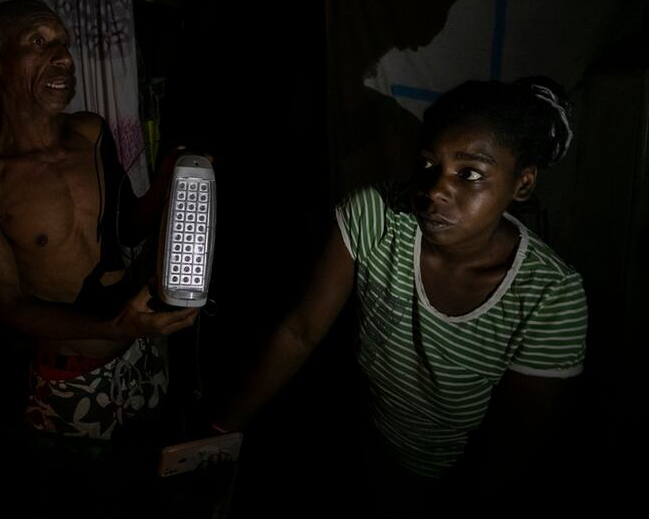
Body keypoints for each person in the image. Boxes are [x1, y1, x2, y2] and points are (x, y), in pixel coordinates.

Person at [215, 77, 588, 510]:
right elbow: (301, 331)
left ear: (522, 184)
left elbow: (512, 448)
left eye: (470, 173)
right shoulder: (377, 215)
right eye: (429, 164)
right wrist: (221, 431)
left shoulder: (550, 296)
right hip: (356, 436)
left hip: (450, 486)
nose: (435, 190)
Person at [0, 0, 198, 443]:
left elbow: (127, 228)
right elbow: (7, 308)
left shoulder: (90, 132)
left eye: (63, 43)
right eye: (38, 41)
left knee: (160, 461)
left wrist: (167, 181)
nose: (63, 56)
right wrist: (114, 326)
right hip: (74, 377)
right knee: (86, 484)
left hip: (143, 349)